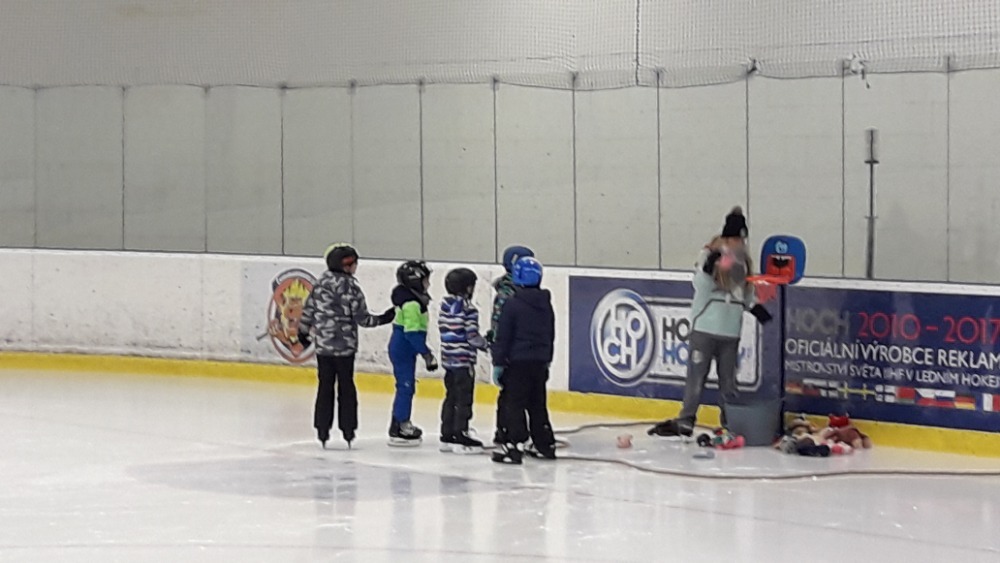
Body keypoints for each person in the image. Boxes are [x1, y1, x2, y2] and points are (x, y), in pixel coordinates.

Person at [648, 207, 772, 438]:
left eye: (742, 239)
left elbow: (745, 296)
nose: (740, 243)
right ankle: (686, 419)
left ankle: (730, 422)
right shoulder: (709, 256)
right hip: (705, 329)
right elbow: (700, 285)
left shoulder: (743, 264)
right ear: (727, 238)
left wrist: (761, 312)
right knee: (697, 377)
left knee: (729, 382)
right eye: (736, 239)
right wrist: (709, 266)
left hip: (730, 333)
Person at [298, 243, 395, 449]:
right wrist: (384, 318)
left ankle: (322, 429)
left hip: (324, 346)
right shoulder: (351, 288)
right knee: (346, 387)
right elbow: (363, 319)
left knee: (325, 387)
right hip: (345, 348)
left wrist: (303, 332)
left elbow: (308, 311)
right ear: (347, 265)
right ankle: (348, 429)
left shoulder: (320, 284)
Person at [491, 256, 556, 464]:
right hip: (539, 362)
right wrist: (547, 359)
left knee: (515, 404)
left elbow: (503, 336)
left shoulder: (512, 304)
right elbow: (550, 334)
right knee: (537, 403)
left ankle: (514, 446)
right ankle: (545, 444)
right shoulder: (545, 303)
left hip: (517, 363)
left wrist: (498, 362)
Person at [487, 245, 535, 446]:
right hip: (511, 352)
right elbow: (499, 325)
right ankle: (506, 431)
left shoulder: (522, 291)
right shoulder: (508, 294)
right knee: (510, 394)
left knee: (518, 394)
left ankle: (512, 431)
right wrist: (499, 355)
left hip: (520, 350)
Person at [437, 267, 489, 454]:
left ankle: (447, 434)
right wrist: (486, 344)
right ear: (468, 288)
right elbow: (471, 336)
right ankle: (461, 434)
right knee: (464, 399)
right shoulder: (468, 309)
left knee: (451, 396)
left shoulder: (444, 306)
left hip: (448, 360)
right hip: (463, 360)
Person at [387, 260, 438, 446]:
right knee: (406, 387)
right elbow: (412, 333)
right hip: (403, 349)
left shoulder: (413, 300)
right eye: (426, 280)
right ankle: (400, 426)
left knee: (406, 387)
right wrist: (426, 354)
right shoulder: (412, 304)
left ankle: (400, 422)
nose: (428, 284)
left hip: (404, 349)